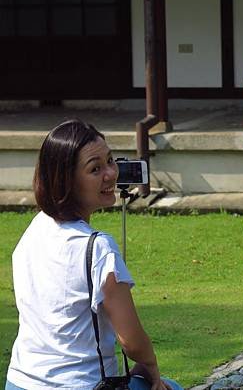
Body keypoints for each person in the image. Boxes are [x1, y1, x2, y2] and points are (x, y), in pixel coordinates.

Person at [6, 120, 181, 390]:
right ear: (66, 180)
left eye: (110, 161)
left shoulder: (34, 230)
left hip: (19, 381)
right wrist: (152, 368)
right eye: (95, 168)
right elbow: (132, 341)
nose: (111, 174)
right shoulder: (98, 248)